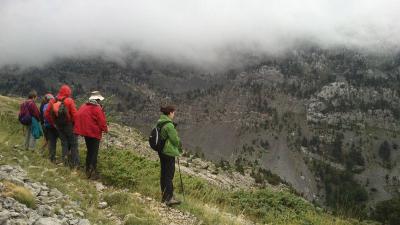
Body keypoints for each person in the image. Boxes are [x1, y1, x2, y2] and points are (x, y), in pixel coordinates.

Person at [74, 91, 108, 179]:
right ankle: (93, 172)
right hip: (94, 134)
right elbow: (102, 121)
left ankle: (87, 170)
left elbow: (78, 115)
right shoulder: (97, 108)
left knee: (89, 151)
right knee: (94, 152)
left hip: (86, 133)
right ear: (97, 99)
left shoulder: (84, 106)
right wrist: (105, 129)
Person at [45, 85, 79, 169]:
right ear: (68, 92)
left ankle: (65, 163)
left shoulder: (53, 100)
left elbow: (46, 114)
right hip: (69, 125)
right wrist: (76, 126)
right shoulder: (69, 100)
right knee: (74, 144)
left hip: (59, 126)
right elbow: (75, 115)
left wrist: (54, 123)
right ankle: (75, 165)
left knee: (64, 143)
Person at [157, 105, 182, 206]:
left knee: (164, 174)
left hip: (162, 151)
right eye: (173, 112)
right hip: (168, 152)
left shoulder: (160, 122)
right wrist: (179, 144)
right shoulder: (169, 125)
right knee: (169, 175)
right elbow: (175, 140)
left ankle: (164, 196)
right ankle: (169, 198)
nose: (174, 114)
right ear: (170, 113)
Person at [41, 94, 59, 162]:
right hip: (53, 126)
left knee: (50, 141)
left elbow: (44, 115)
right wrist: (54, 124)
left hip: (46, 126)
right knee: (52, 141)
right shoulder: (54, 105)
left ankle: (51, 157)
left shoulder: (45, 106)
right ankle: (51, 156)